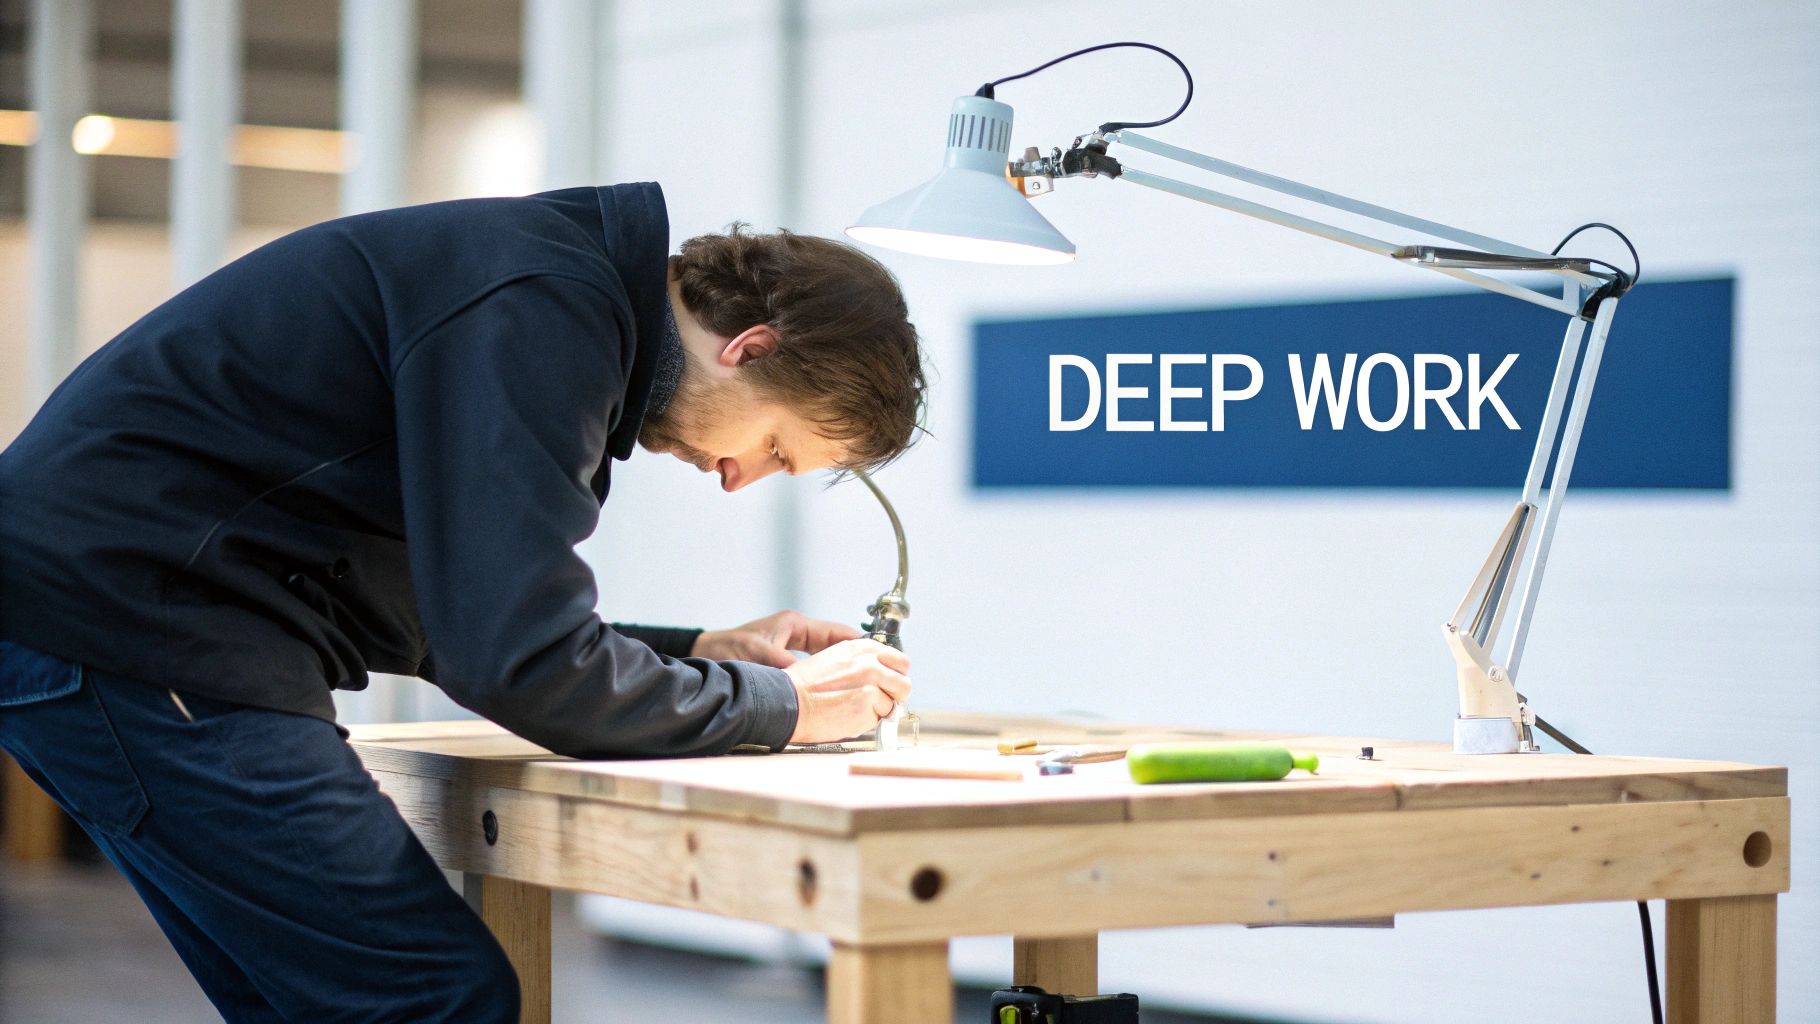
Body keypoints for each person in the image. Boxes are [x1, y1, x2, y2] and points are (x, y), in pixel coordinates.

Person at [0, 181, 925, 1021]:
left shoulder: (546, 287)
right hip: (138, 620)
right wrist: (787, 707)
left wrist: (702, 651)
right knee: (431, 998)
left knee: (325, 1004)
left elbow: (459, 611)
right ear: (748, 350)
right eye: (772, 448)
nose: (735, 481)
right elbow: (513, 661)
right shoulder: (546, 309)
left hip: (117, 613)